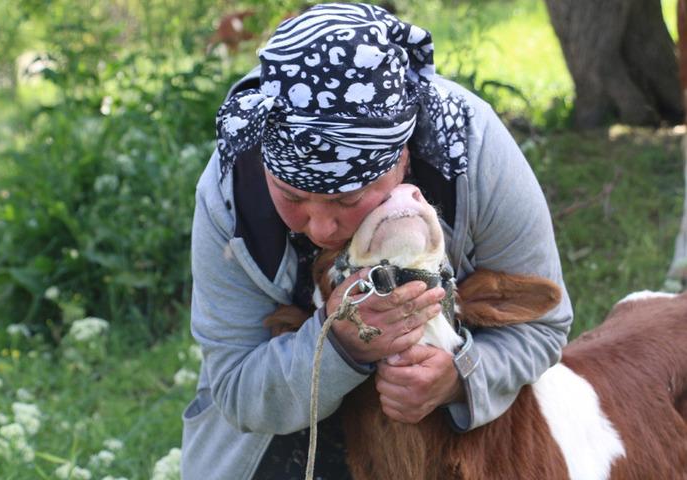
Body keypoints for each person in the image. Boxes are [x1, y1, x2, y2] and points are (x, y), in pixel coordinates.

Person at [181, 3, 573, 479]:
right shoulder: (230, 193)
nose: (322, 227)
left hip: (447, 434)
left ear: (403, 157)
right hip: (280, 432)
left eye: (349, 200)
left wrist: (461, 377)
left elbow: (543, 325)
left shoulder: (471, 150)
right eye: (293, 196)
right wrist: (341, 345)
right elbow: (235, 386)